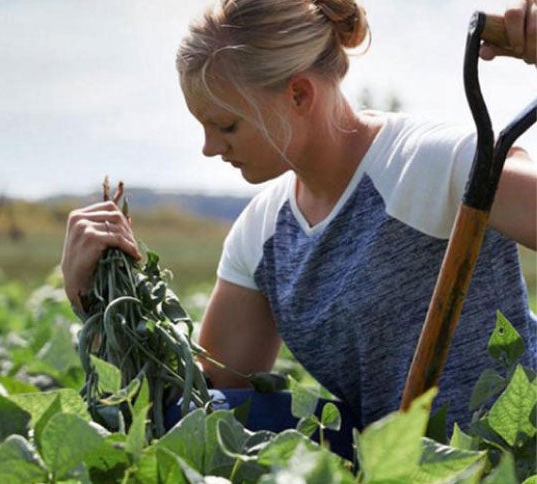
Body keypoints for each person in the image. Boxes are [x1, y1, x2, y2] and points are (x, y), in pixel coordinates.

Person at [61, 0, 537, 454]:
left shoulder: (428, 165)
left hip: (512, 447)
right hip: (396, 460)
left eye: (226, 126)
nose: (209, 147)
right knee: (191, 420)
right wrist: (97, 304)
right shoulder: (264, 232)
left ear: (299, 94)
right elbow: (205, 398)